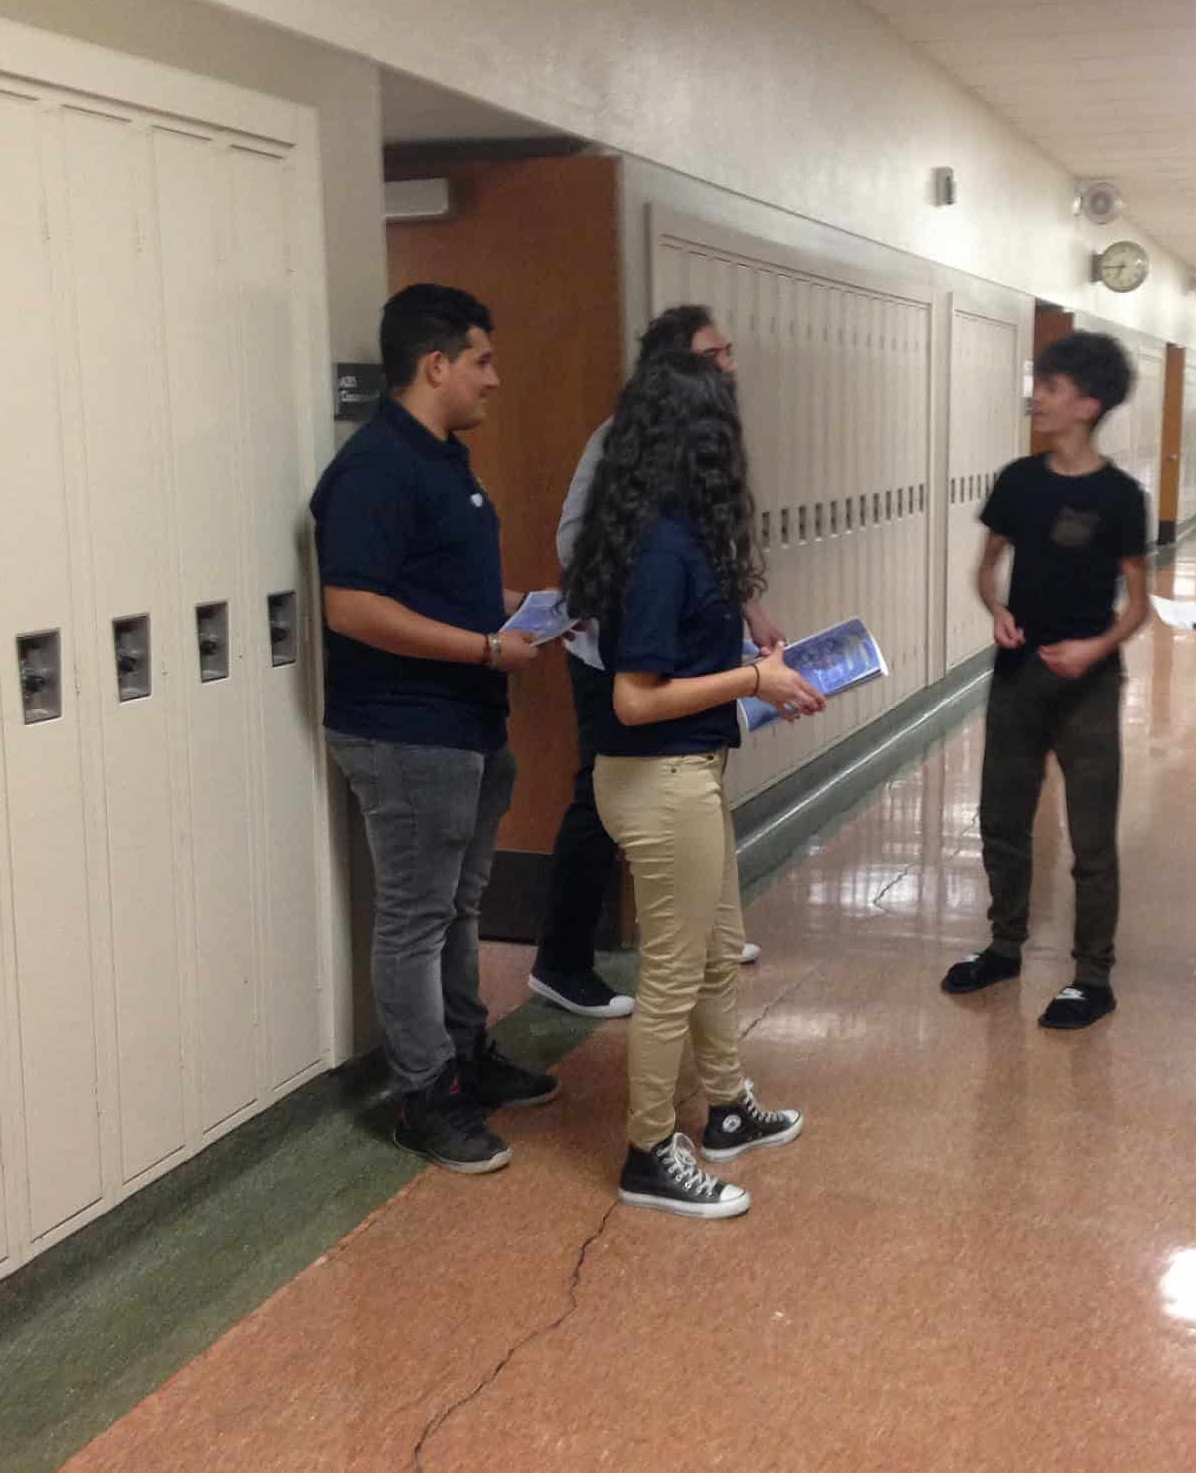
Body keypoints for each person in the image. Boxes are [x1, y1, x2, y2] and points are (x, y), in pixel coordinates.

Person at [564, 351, 825, 1218]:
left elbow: (676, 665)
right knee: (676, 973)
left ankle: (725, 1108)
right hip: (657, 780)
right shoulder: (659, 547)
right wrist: (755, 683)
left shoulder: (673, 530)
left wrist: (755, 667)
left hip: (690, 770)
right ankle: (647, 1151)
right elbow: (635, 699)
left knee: (717, 955)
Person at [312, 283, 560, 1176]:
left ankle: (465, 1054)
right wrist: (488, 648)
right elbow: (353, 608)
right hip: (406, 732)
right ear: (436, 365)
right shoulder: (376, 468)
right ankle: (424, 1095)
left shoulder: (442, 461)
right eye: (483, 361)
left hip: (465, 724)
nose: (494, 380)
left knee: (459, 907)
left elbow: (436, 591)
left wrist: (531, 616)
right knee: (415, 920)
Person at [529, 306, 785, 1019]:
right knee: (599, 798)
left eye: (729, 351)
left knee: (697, 776)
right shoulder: (619, 443)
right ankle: (562, 961)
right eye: (714, 354)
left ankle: (711, 929)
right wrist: (644, 602)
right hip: (614, 652)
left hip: (688, 647)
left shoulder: (709, 439)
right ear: (673, 368)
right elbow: (577, 541)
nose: (729, 365)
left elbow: (723, 544)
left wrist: (751, 615)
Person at [941, 331, 1150, 1030]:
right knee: (1003, 817)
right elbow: (985, 567)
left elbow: (1139, 607)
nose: (1038, 397)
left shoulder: (1121, 496)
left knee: (1090, 834)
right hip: (1019, 674)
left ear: (1086, 405)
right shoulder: (1018, 481)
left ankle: (1093, 974)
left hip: (1088, 683)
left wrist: (1094, 650)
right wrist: (996, 609)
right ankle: (1004, 945)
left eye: (1052, 388)